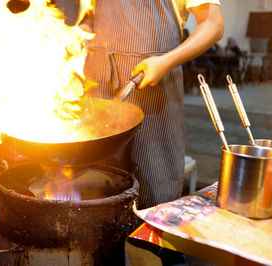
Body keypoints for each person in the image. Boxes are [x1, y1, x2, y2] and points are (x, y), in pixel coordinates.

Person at [83, 1, 224, 211]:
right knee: (95, 191)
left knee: (156, 191)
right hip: (97, 87)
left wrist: (166, 61)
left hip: (153, 88)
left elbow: (213, 23)